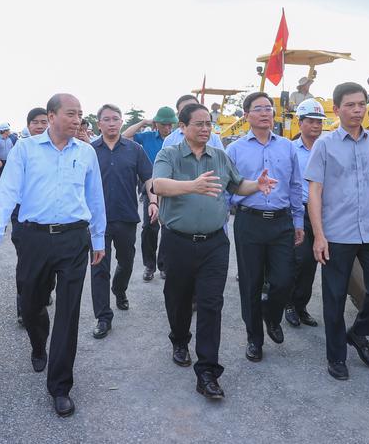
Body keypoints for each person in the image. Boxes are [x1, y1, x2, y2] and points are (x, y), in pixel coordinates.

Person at [0, 93, 106, 417]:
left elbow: (95, 197)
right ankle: (39, 343)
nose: (77, 119)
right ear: (51, 116)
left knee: (68, 312)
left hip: (73, 239)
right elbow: (7, 191)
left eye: (79, 114)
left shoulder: (86, 152)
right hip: (35, 238)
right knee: (32, 302)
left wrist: (98, 239)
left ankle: (60, 386)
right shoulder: (26, 149)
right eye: (70, 113)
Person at [152, 102, 276, 399]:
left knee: (211, 304)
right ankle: (180, 339)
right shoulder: (169, 154)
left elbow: (237, 185)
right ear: (183, 127)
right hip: (178, 242)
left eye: (209, 123)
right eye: (199, 124)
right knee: (178, 299)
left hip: (214, 244)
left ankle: (207, 372)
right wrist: (192, 186)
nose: (206, 129)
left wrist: (256, 185)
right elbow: (158, 184)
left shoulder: (219, 157)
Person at [305, 82, 369, 381]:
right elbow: (315, 191)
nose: (358, 110)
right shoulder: (325, 145)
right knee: (334, 299)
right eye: (350, 105)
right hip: (337, 234)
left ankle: (359, 333)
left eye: (362, 104)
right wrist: (319, 235)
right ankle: (336, 357)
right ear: (336, 110)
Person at [226, 91, 304, 363]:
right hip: (249, 221)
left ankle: (271, 316)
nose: (265, 113)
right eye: (258, 108)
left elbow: (295, 185)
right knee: (250, 282)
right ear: (246, 115)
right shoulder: (234, 150)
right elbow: (227, 187)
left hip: (281, 222)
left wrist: (297, 220)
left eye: (268, 108)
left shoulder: (287, 147)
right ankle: (254, 339)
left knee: (284, 279)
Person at [90, 104, 153, 339]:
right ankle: (103, 317)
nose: (112, 123)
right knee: (99, 267)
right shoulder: (89, 150)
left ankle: (119, 289)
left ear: (121, 122)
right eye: (106, 119)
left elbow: (148, 178)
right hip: (97, 220)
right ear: (99, 124)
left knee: (126, 261)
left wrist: (153, 201)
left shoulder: (134, 149)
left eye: (116, 119)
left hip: (126, 217)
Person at [285, 99, 327, 328]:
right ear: (300, 123)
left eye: (319, 122)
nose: (316, 126)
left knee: (312, 263)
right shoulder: (290, 149)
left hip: (322, 212)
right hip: (298, 212)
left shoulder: (328, 146)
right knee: (299, 260)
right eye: (310, 121)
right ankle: (289, 304)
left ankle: (301, 306)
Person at [122, 106, 177, 281]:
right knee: (149, 228)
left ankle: (165, 264)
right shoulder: (146, 137)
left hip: (172, 186)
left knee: (169, 228)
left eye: (170, 125)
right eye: (164, 125)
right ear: (156, 124)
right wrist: (143, 122)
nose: (168, 128)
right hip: (150, 186)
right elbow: (125, 136)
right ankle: (149, 265)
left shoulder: (177, 139)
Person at [10, 107, 50, 326]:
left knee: (47, 265)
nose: (40, 126)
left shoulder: (55, 150)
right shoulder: (21, 150)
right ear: (28, 125)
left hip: (48, 221)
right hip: (22, 217)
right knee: (25, 262)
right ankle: (22, 306)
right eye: (36, 122)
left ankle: (42, 294)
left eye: (45, 122)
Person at [0, 123, 14, 187]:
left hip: (8, 162)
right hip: (0, 161)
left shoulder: (9, 139)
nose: (9, 131)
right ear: (5, 131)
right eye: (8, 130)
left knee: (8, 178)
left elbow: (12, 149)